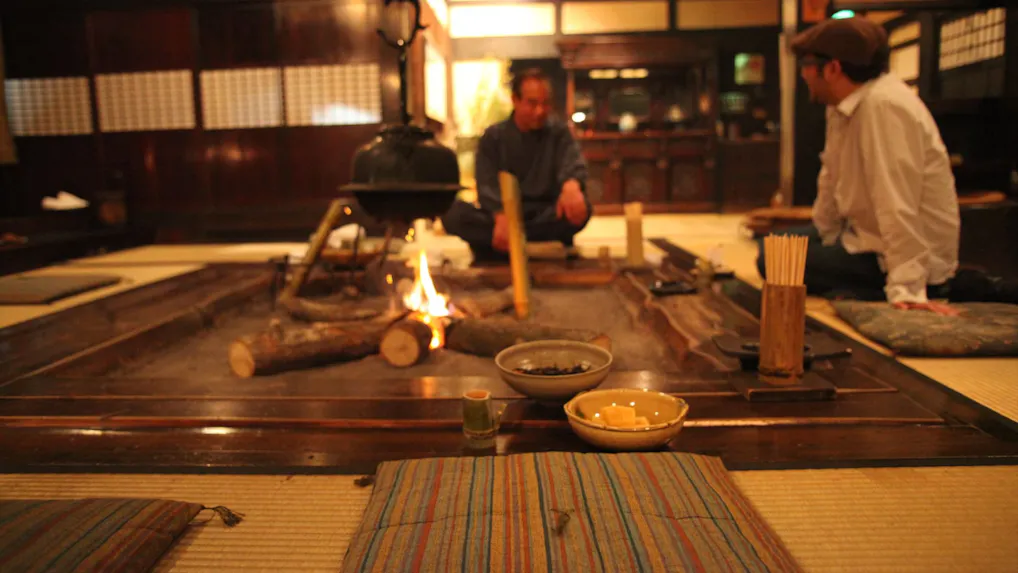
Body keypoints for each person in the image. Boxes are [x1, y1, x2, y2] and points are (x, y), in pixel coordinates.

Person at [758, 17, 961, 315]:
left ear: (833, 68)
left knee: (773, 260)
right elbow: (831, 180)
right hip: (860, 235)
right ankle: (850, 282)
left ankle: (881, 289)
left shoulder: (884, 105)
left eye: (806, 66)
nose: (803, 76)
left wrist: (907, 286)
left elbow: (896, 200)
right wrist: (824, 234)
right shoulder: (842, 106)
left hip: (900, 256)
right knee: (775, 250)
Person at [441, 68, 591, 260]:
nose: (540, 111)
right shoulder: (494, 136)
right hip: (502, 215)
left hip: (543, 214)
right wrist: (500, 214)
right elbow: (486, 182)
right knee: (452, 214)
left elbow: (572, 162)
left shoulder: (559, 133)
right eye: (532, 103)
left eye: (545, 104)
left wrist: (572, 186)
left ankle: (504, 243)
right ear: (515, 100)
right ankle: (526, 242)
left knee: (581, 208)